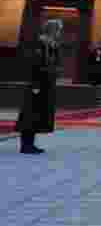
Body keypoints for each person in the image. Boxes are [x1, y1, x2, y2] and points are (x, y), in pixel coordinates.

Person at [17, 19, 61, 154]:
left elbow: (53, 64)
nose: (59, 33)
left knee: (38, 115)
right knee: (30, 114)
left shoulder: (52, 45)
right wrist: (35, 84)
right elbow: (35, 64)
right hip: (38, 85)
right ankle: (26, 145)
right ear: (52, 30)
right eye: (58, 29)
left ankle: (31, 144)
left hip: (46, 84)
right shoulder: (40, 43)